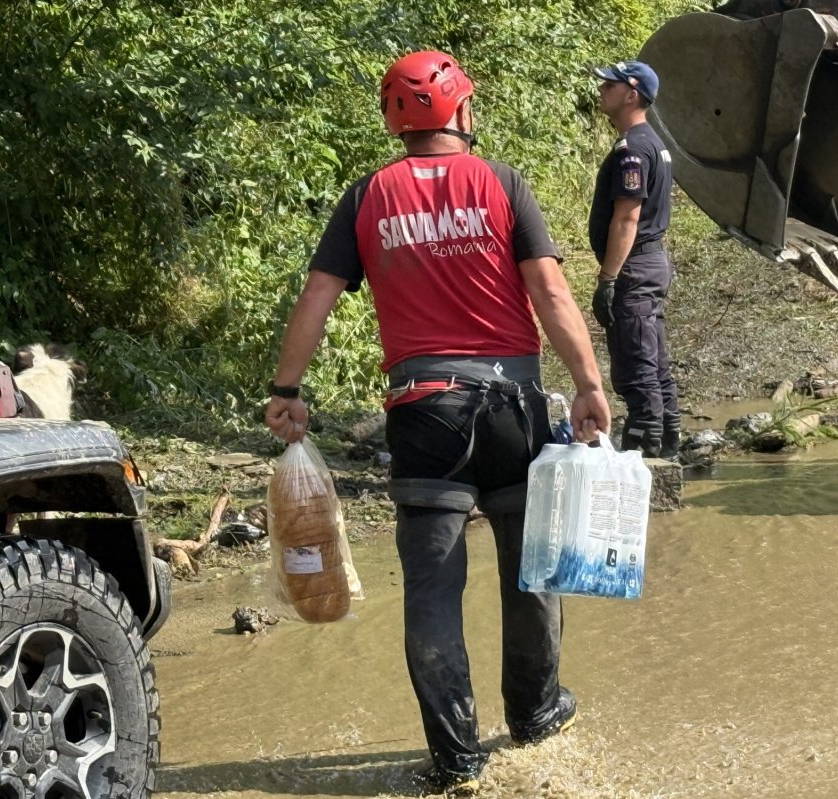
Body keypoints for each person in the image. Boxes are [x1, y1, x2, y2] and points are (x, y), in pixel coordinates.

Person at [264, 51, 611, 797]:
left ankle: (457, 761)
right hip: (515, 408)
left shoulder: (368, 196)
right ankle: (537, 715)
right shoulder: (500, 181)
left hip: (425, 415)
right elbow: (549, 290)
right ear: (459, 110)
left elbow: (320, 293)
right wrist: (588, 385)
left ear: (397, 119)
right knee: (533, 572)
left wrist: (287, 389)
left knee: (431, 588)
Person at [588, 60, 680, 458]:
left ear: (631, 94)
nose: (602, 90)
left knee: (636, 363)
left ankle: (648, 458)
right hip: (649, 261)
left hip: (636, 266)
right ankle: (670, 444)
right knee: (653, 359)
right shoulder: (649, 142)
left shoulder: (634, 149)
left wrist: (608, 278)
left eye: (610, 85)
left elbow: (627, 216)